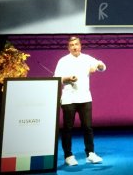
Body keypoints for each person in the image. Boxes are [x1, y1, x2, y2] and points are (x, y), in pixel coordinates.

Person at [54, 36, 107, 166]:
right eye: (71, 45)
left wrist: (100, 65)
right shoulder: (63, 61)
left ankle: (90, 153)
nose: (74, 47)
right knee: (67, 128)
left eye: (76, 44)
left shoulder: (87, 58)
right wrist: (67, 78)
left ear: (80, 45)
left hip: (85, 98)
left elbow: (102, 67)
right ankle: (68, 155)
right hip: (68, 99)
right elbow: (56, 78)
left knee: (88, 127)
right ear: (68, 47)